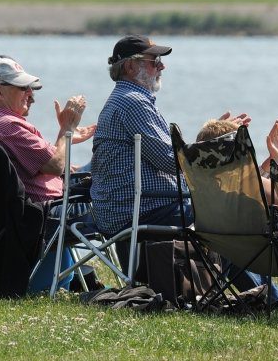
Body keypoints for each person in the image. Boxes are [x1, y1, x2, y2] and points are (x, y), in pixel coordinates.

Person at [90, 34, 246, 236]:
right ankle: (236, 269)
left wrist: (211, 141)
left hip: (131, 210)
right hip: (141, 212)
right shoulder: (134, 102)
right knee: (239, 212)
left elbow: (170, 158)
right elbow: (172, 162)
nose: (162, 67)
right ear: (129, 66)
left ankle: (219, 267)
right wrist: (216, 145)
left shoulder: (124, 99)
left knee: (227, 207)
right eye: (155, 62)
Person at [0, 56, 94, 292]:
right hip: (45, 212)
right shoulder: (8, 126)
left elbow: (51, 163)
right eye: (23, 88)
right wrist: (66, 129)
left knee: (96, 174)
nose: (31, 96)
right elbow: (56, 165)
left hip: (28, 211)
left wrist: (66, 138)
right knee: (119, 196)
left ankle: (71, 279)